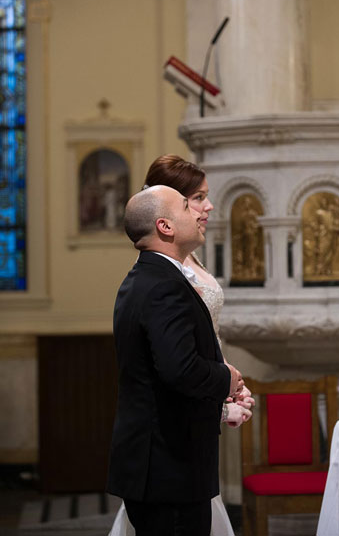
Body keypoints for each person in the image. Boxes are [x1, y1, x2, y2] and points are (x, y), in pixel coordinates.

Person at [109, 156, 253, 536]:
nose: (201, 210)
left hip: (170, 458)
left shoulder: (155, 277)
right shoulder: (163, 285)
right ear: (165, 225)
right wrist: (228, 379)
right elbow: (179, 368)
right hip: (167, 465)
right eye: (191, 202)